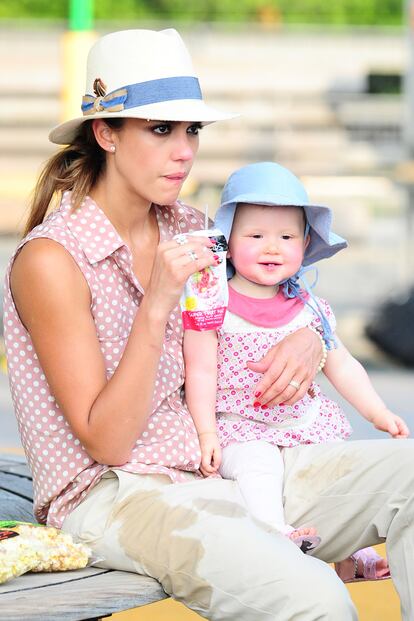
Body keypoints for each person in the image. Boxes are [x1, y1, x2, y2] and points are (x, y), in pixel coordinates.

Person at [3, 28, 414, 621]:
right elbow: (107, 441)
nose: (184, 150)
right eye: (161, 129)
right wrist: (157, 305)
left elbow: (275, 295)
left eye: (191, 129)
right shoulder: (52, 259)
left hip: (228, 460)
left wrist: (310, 338)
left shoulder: (188, 225)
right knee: (313, 599)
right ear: (105, 133)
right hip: (120, 492)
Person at [184, 161, 409, 581]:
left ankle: (351, 554)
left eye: (286, 236)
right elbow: (200, 371)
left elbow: (342, 363)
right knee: (258, 467)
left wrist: (377, 414)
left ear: (305, 243)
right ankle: (273, 532)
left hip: (301, 423)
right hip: (240, 426)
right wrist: (206, 434)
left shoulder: (309, 306)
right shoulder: (212, 302)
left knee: (342, 472)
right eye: (255, 236)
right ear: (227, 242)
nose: (272, 247)